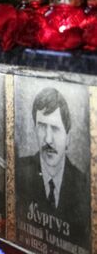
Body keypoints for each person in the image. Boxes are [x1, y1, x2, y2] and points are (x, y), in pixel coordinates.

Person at [16, 87, 90, 247]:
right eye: (42, 126)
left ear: (68, 138)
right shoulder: (17, 172)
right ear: (35, 130)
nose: (48, 139)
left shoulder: (83, 186)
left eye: (55, 129)